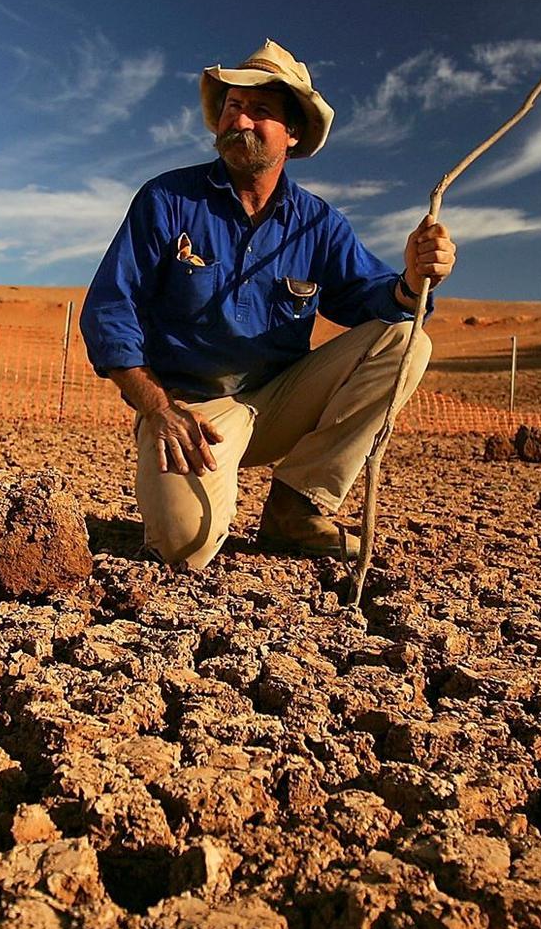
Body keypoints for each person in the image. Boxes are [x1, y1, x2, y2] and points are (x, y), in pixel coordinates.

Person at [80, 39, 456, 568]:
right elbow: (110, 307)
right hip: (191, 412)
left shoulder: (317, 223)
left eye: (260, 110)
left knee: (406, 340)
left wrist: (415, 280)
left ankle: (295, 509)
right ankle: (196, 494)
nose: (241, 120)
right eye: (233, 106)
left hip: (281, 400)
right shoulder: (167, 200)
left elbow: (371, 300)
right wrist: (158, 409)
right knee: (183, 549)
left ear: (292, 133)